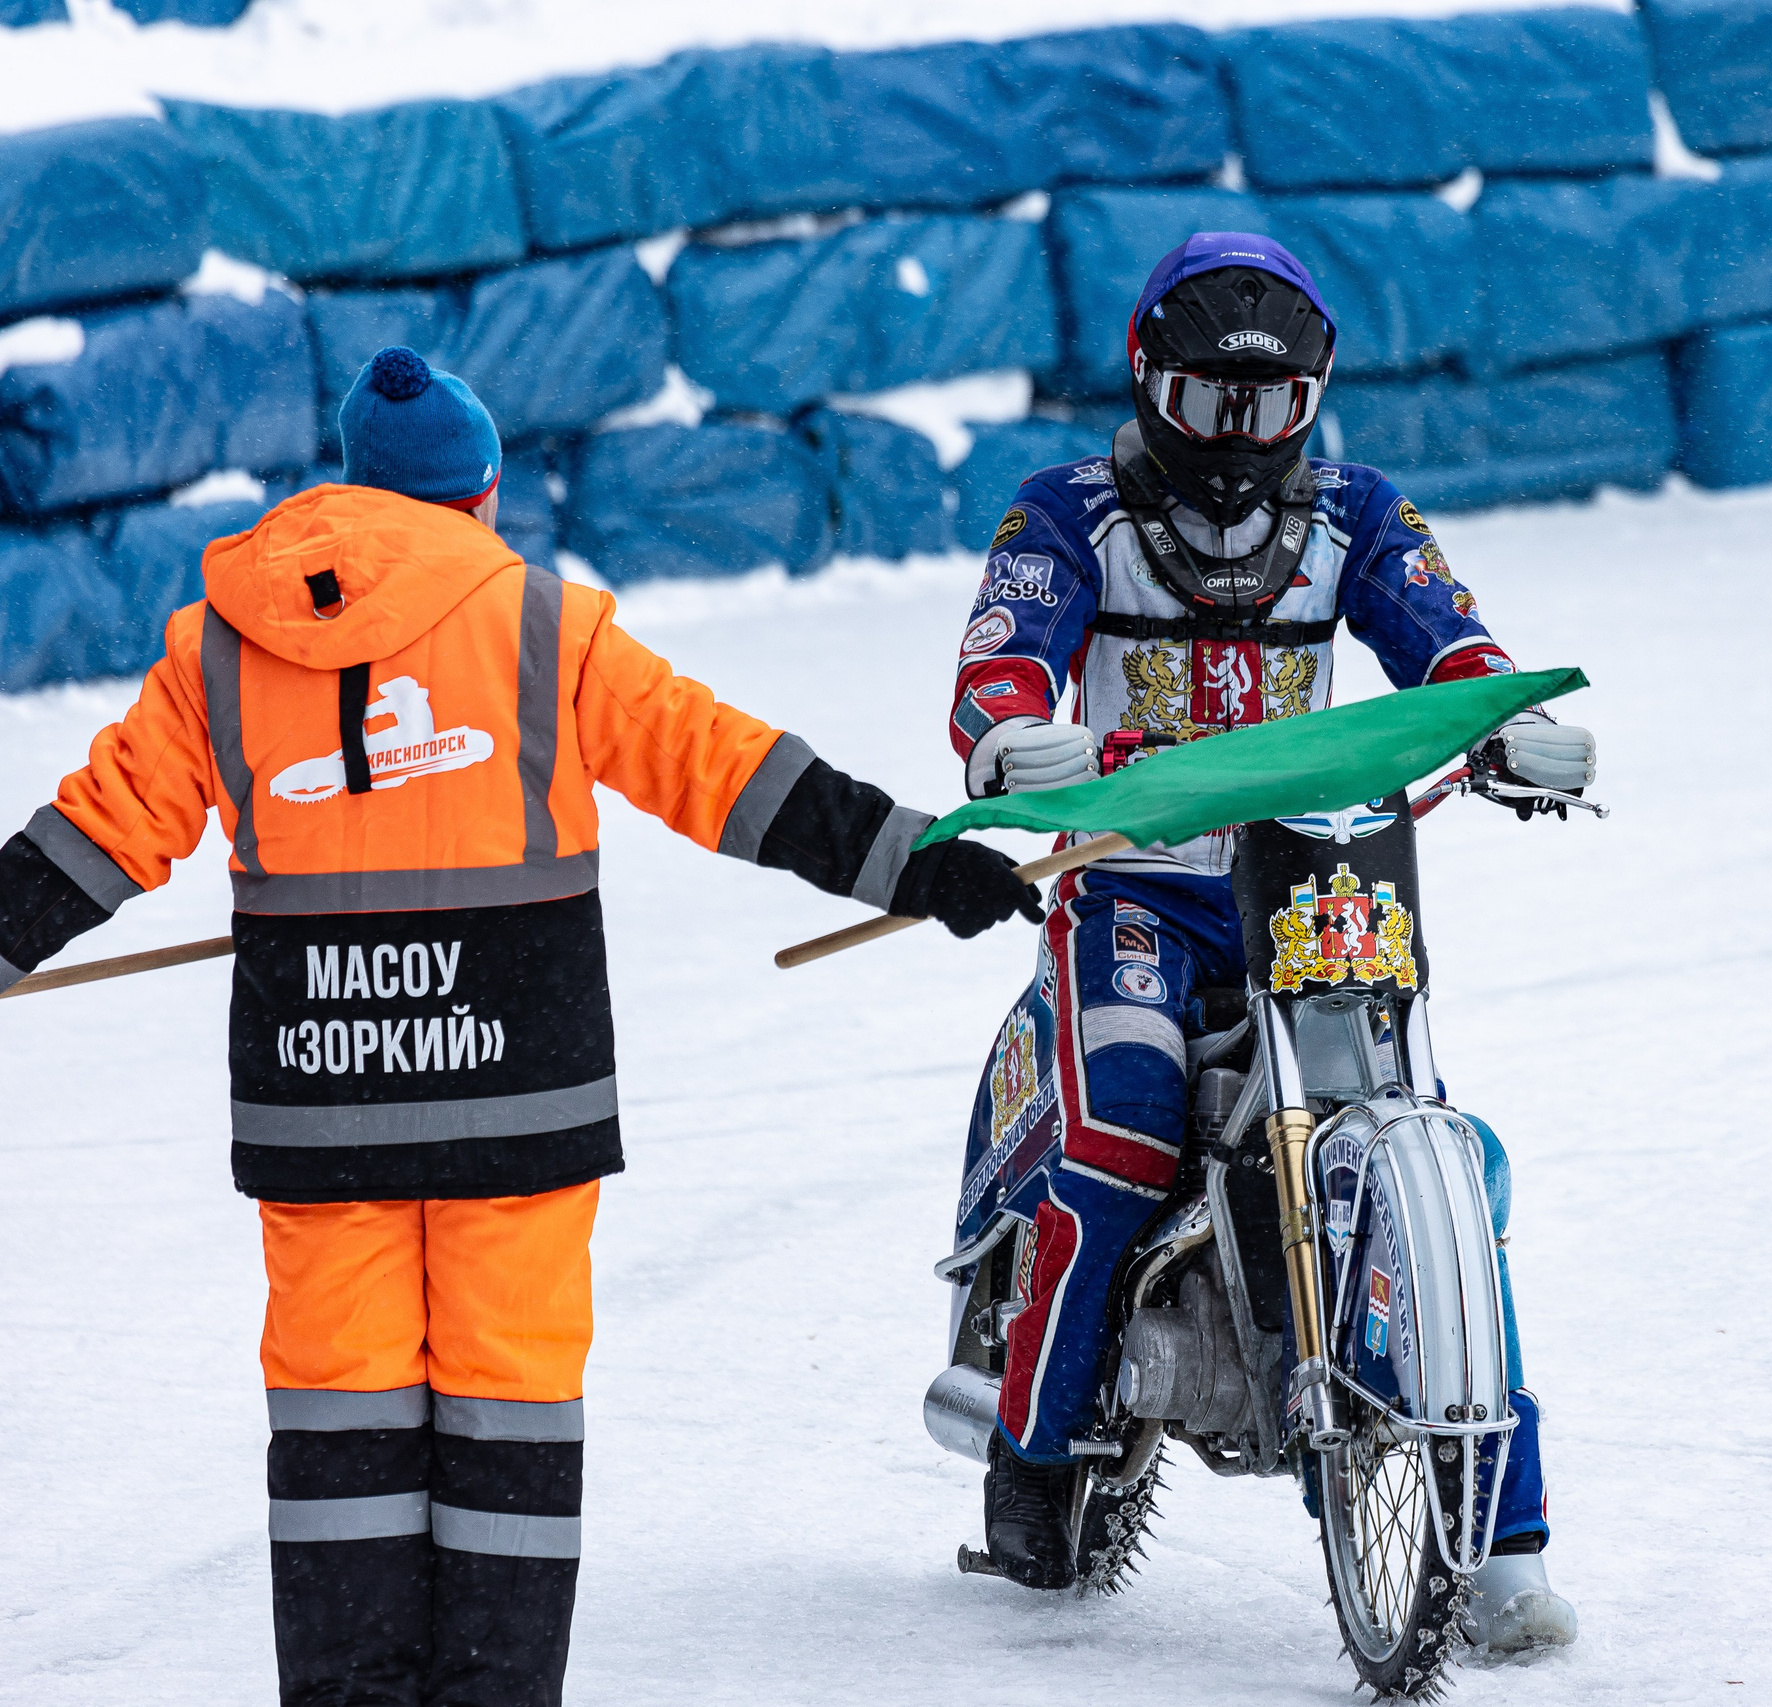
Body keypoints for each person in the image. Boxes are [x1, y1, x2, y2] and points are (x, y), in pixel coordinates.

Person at [0, 347, 1040, 1706]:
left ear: (360, 490)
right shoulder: (543, 624)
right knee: (508, 1408)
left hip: (324, 1108)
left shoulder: (223, 645)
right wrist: (920, 862)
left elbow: (100, 828)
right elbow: (728, 771)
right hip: (518, 1103)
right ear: (481, 495)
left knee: (337, 1414)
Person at [943, 234, 1594, 1650]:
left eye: (1272, 410)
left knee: (1440, 1142)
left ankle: (1506, 1539)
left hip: (1316, 883)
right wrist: (1010, 736)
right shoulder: (1063, 514)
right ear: (1144, 380)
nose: (1237, 445)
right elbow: (1000, 660)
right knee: (1119, 1136)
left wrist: (1504, 723)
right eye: (1207, 405)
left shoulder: (1363, 513)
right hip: (1131, 888)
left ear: (1314, 401)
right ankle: (1034, 1456)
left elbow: (1450, 643)